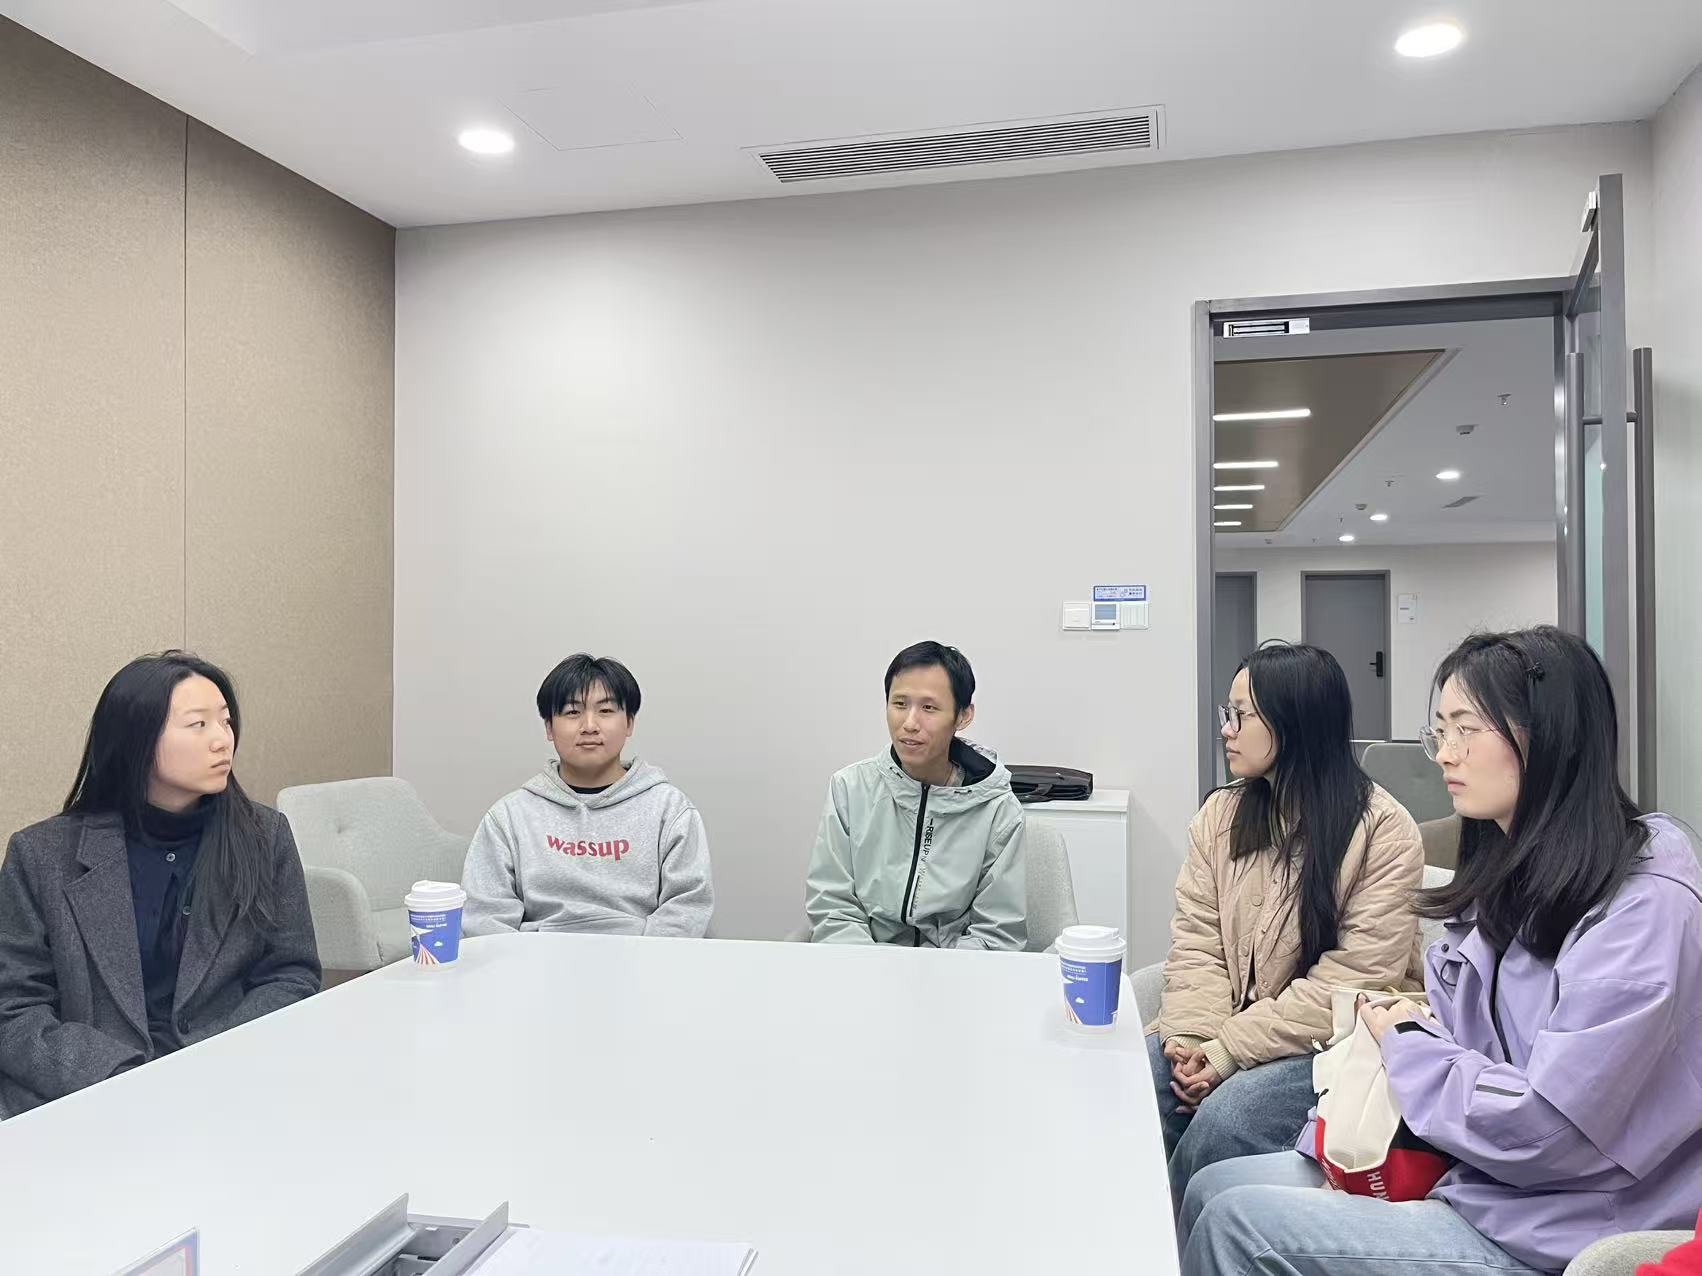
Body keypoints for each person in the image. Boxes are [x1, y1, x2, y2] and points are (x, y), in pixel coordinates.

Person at [1179, 626, 1702, 1276]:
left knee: (1234, 1216)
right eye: (1440, 732)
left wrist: (1406, 1041)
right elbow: (1195, 937)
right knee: (1211, 1186)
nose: (1445, 755)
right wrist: (1199, 1031)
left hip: (1566, 1220)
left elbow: (1547, 1126)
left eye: (1466, 730)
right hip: (1477, 1173)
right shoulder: (1511, 868)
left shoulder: (1642, 905)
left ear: (1550, 735)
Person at [1150, 642, 1423, 1202]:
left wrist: (1228, 1050)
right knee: (1138, 1087)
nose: (1226, 730)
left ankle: (1180, 1241)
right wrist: (1194, 1039)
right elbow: (1198, 943)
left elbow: (1352, 983)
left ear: (1294, 722)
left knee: (1224, 1123)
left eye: (1241, 716)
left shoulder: (1383, 830)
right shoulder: (1221, 814)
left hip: (1328, 1044)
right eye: (1227, 714)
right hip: (1226, 1024)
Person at [0, 652, 320, 1117]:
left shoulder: (263, 836)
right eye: (198, 725)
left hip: (229, 1085)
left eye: (225, 721)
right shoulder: (42, 855)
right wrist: (115, 1074)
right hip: (89, 1096)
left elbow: (291, 974)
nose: (222, 740)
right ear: (137, 739)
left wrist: (212, 1062)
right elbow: (13, 1007)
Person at [462, 653, 713, 937]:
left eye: (605, 711)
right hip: (536, 958)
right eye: (572, 712)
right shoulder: (509, 816)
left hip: (641, 956)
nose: (589, 726)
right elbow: (484, 916)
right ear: (549, 727)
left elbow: (687, 907)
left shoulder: (670, 809)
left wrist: (644, 959)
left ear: (629, 723)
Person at [805, 640, 1025, 950]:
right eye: (899, 704)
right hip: (864, 964)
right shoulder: (850, 789)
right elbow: (832, 908)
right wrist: (871, 968)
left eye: (929, 708)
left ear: (963, 715)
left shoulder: (998, 809)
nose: (909, 723)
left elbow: (996, 933)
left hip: (956, 969)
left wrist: (938, 974)